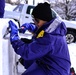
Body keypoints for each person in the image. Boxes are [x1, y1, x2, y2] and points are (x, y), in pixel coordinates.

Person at [8, 2, 71, 75]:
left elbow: (27, 52)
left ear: (45, 19)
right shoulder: (53, 28)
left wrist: (15, 39)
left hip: (55, 71)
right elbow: (43, 32)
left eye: (36, 21)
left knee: (29, 56)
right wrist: (31, 27)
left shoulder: (50, 38)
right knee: (28, 60)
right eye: (33, 20)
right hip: (51, 63)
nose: (35, 23)